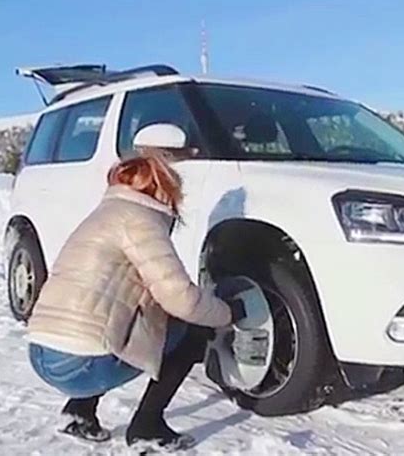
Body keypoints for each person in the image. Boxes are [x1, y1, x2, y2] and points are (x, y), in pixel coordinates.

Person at [27, 150, 246, 451]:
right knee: (192, 330)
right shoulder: (140, 220)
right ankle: (147, 427)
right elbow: (180, 299)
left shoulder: (104, 214)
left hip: (42, 352)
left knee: (105, 319)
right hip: (80, 364)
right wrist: (228, 313)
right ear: (160, 187)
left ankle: (79, 411)